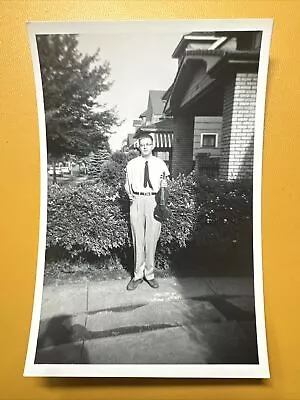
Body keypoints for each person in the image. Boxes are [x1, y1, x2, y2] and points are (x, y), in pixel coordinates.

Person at [125, 133, 170, 291]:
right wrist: (130, 195)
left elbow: (165, 184)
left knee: (151, 240)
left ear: (152, 146)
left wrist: (164, 187)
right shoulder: (132, 164)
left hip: (153, 201)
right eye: (142, 144)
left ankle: (149, 274)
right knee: (138, 239)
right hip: (137, 201)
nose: (144, 147)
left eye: (147, 144)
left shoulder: (160, 163)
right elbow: (127, 184)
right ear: (139, 146)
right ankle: (137, 275)